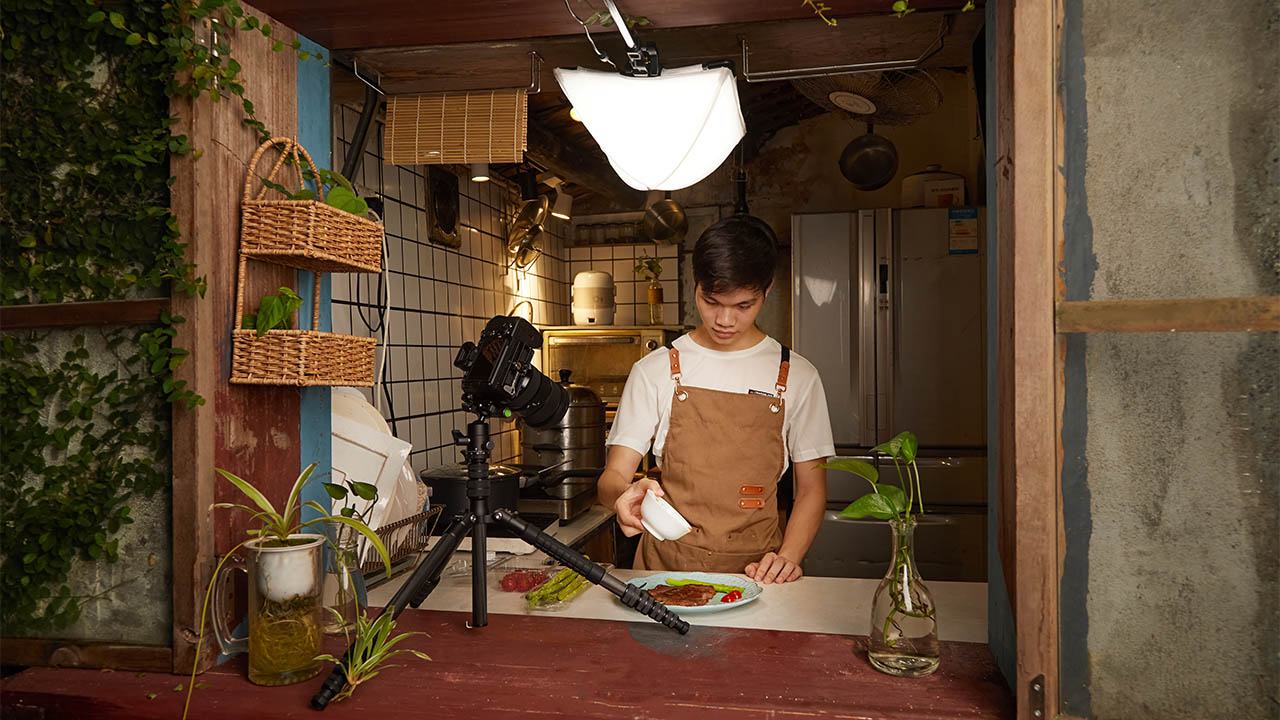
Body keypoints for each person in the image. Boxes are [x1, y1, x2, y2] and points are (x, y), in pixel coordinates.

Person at [597, 216, 834, 584]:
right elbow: (612, 476)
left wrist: (787, 558)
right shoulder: (655, 370)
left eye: (743, 306)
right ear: (696, 285)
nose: (724, 320)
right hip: (663, 574)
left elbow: (812, 490)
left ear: (766, 291)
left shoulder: (797, 375)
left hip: (758, 576)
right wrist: (622, 497)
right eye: (711, 301)